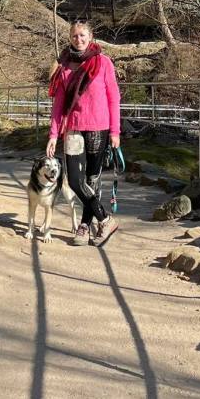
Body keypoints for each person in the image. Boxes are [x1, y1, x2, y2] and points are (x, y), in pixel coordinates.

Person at [46, 20, 121, 246]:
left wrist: (116, 131)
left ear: (91, 36)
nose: (78, 40)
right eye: (74, 36)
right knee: (76, 181)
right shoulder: (65, 66)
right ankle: (105, 219)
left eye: (82, 35)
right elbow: (59, 103)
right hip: (74, 129)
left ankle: (85, 226)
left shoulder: (103, 63)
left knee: (92, 179)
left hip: (99, 127)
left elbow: (114, 98)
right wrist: (53, 134)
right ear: (70, 38)